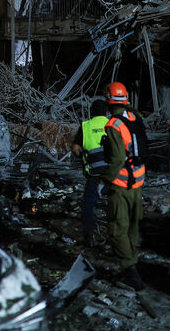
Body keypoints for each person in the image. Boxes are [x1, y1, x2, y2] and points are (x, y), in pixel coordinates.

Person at [100, 81, 147, 291]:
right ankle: (132, 261)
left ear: (108, 100)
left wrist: (104, 181)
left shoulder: (114, 125)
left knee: (117, 229)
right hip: (138, 182)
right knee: (132, 227)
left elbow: (118, 158)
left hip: (121, 185)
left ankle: (131, 273)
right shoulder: (135, 117)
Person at [71, 99, 110, 247]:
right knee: (117, 206)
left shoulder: (86, 126)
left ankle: (89, 238)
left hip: (95, 174)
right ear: (106, 112)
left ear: (91, 112)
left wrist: (83, 157)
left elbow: (75, 148)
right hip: (113, 174)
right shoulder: (113, 124)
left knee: (88, 206)